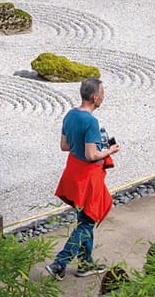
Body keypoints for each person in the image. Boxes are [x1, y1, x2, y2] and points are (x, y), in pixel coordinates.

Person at [45, 78, 121, 280]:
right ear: (95, 97)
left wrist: (83, 145)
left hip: (73, 174)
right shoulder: (91, 122)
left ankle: (85, 264)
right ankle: (60, 263)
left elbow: (64, 145)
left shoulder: (70, 115)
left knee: (85, 218)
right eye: (102, 94)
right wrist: (109, 150)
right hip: (88, 178)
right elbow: (91, 155)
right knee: (87, 222)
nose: (103, 97)